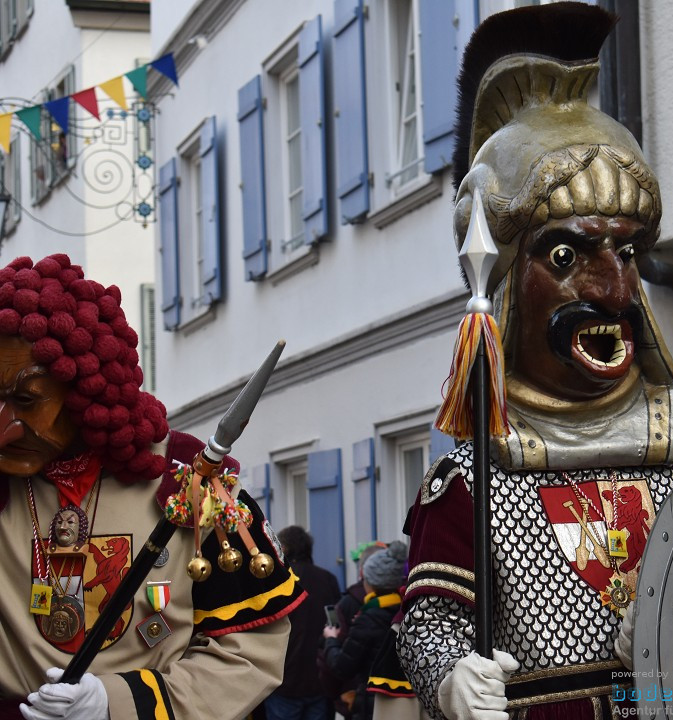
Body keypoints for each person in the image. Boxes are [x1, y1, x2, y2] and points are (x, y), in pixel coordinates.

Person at [396, 4, 673, 718]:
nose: (616, 290)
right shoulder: (468, 481)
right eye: (568, 256)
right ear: (504, 286)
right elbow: (429, 624)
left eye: (626, 253)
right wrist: (449, 675)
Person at [0, 254, 302, 720]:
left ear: (85, 387)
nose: (4, 429)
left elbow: (248, 653)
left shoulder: (193, 488)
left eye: (26, 399)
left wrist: (118, 703)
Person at [263, 526, 341, 720]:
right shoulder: (327, 579)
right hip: (319, 679)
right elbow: (336, 623)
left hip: (284, 679)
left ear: (284, 548)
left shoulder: (277, 581)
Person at [322, 541, 406, 720]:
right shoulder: (404, 612)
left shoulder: (368, 619)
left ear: (370, 582)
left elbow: (342, 667)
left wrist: (331, 639)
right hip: (403, 704)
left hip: (372, 705)